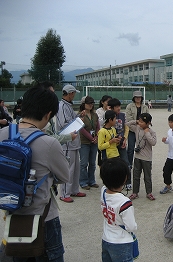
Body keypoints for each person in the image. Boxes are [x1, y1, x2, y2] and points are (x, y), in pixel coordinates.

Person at [0, 86, 69, 261]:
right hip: (44, 217)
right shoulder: (49, 143)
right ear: (48, 114)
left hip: (12, 211)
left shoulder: (3, 134)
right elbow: (64, 177)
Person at [100, 157, 137, 262]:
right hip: (121, 243)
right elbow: (131, 226)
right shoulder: (125, 203)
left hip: (106, 238)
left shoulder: (103, 192)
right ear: (125, 178)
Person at [56, 84, 86, 203]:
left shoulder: (68, 105)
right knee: (68, 168)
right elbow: (64, 124)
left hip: (74, 141)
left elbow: (71, 119)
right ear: (69, 93)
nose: (74, 95)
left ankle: (74, 189)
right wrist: (78, 121)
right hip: (67, 141)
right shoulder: (62, 106)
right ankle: (64, 193)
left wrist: (79, 116)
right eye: (73, 93)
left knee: (75, 168)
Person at [126, 113, 157, 201]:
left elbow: (153, 143)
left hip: (147, 158)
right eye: (139, 121)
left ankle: (149, 193)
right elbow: (127, 125)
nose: (140, 123)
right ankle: (135, 192)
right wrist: (135, 121)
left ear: (148, 123)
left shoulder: (151, 132)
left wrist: (147, 133)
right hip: (137, 157)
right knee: (136, 176)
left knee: (147, 176)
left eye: (142, 122)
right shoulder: (137, 128)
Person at [108, 98, 131, 190]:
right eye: (116, 107)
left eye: (119, 106)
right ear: (111, 108)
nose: (119, 108)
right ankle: (114, 183)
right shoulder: (108, 116)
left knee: (126, 163)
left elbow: (126, 128)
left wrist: (125, 139)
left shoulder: (122, 115)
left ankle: (128, 181)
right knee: (113, 165)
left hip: (122, 143)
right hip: (112, 145)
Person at [79, 96, 100, 190]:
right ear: (84, 104)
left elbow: (98, 126)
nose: (91, 105)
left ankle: (92, 180)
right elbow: (81, 128)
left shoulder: (95, 115)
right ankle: (83, 181)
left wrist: (96, 136)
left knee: (92, 162)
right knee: (83, 163)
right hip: (84, 141)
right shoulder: (81, 115)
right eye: (88, 103)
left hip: (94, 141)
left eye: (92, 103)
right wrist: (91, 137)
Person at [125, 91, 149, 169]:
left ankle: (141, 164)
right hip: (132, 130)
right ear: (134, 98)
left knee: (142, 148)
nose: (138, 98)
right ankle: (129, 164)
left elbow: (148, 117)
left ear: (141, 98)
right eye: (136, 97)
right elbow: (128, 118)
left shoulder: (145, 107)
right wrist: (138, 122)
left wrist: (143, 125)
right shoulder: (129, 106)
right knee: (131, 148)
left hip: (142, 130)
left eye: (139, 97)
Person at [96, 95, 112, 167]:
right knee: (102, 153)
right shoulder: (99, 111)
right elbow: (100, 122)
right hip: (102, 134)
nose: (109, 103)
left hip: (110, 134)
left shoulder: (112, 110)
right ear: (102, 102)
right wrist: (107, 113)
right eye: (107, 102)